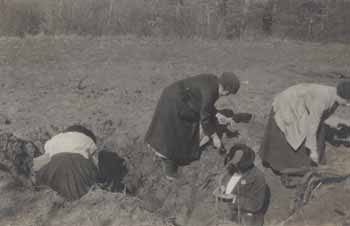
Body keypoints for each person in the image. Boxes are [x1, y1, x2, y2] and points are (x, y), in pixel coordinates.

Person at [145, 72, 240, 180]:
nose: (226, 95)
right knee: (174, 133)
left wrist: (217, 114)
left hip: (175, 95)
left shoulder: (212, 80)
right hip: (175, 102)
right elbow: (205, 119)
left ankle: (166, 153)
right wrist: (215, 137)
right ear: (226, 90)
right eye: (228, 93)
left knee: (177, 130)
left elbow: (203, 102)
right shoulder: (210, 92)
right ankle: (169, 168)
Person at [259, 82, 350, 178]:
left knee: (312, 133)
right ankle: (283, 167)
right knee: (295, 135)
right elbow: (312, 126)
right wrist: (313, 151)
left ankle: (307, 163)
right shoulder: (322, 100)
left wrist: (338, 123)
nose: (348, 105)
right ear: (342, 96)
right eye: (348, 101)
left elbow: (323, 115)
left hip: (302, 101)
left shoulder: (335, 95)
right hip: (290, 102)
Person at [34, 125, 99, 200]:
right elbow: (95, 161)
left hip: (52, 164)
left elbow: (43, 159)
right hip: (79, 165)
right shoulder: (87, 140)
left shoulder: (54, 140)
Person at [213, 144, 268, 226]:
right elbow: (225, 181)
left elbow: (257, 204)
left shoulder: (258, 177)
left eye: (237, 164)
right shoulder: (232, 170)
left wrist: (234, 198)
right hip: (229, 214)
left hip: (247, 218)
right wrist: (222, 187)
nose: (233, 166)